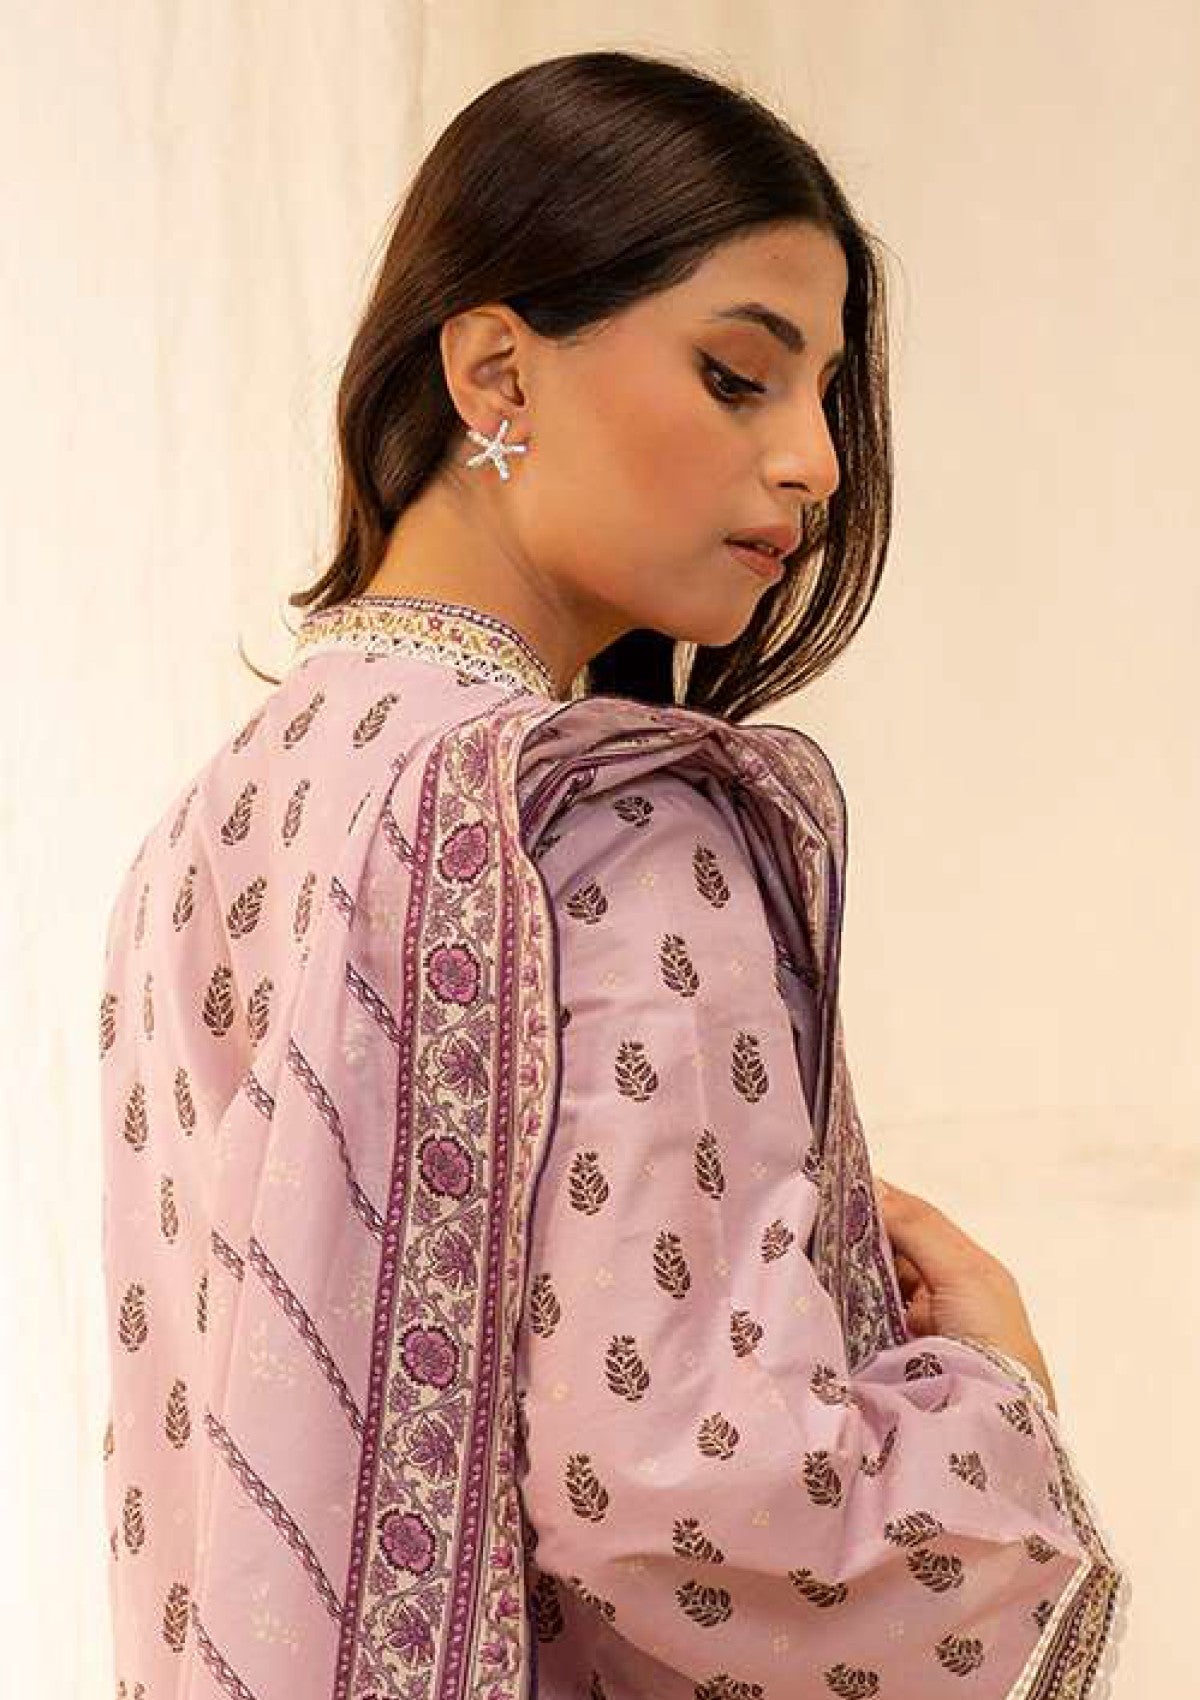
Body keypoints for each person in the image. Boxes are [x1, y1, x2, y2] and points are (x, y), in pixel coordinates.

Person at [97, 47, 1129, 1700]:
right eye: (740, 376)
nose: (818, 462)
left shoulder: (219, 824)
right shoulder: (597, 817)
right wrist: (996, 1412)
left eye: (826, 398)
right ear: (497, 373)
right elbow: (692, 1497)